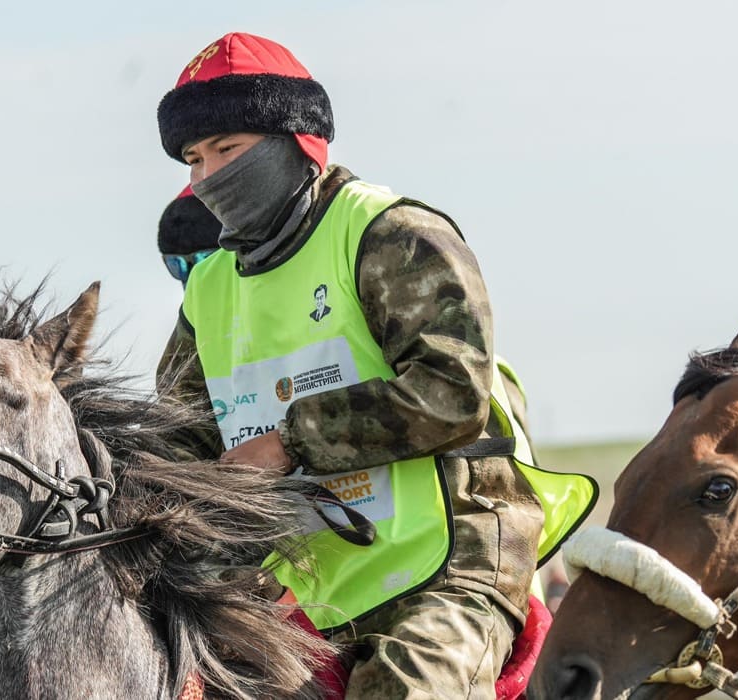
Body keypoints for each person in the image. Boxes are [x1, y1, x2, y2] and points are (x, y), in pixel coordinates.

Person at [155, 32, 595, 698]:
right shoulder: (209, 289)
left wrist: (289, 443)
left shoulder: (389, 233)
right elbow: (179, 439)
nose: (207, 177)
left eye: (228, 150)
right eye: (193, 158)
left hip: (450, 563)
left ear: (295, 141)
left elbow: (452, 393)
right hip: (313, 580)